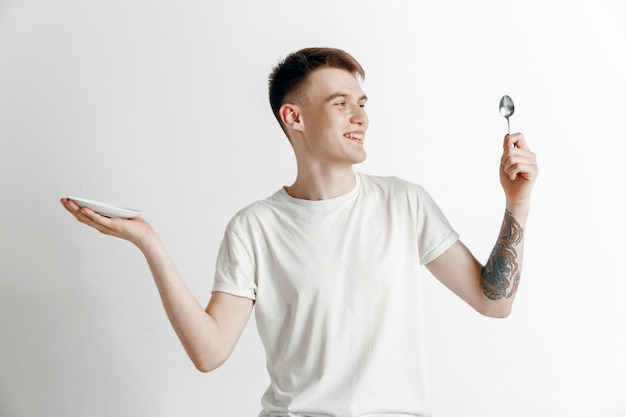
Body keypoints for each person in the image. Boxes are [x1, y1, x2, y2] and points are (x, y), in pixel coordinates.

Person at [61, 47, 538, 417]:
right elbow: (209, 352)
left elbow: (493, 302)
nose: (361, 117)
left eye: (362, 103)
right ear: (294, 118)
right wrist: (150, 242)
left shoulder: (404, 202)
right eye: (341, 103)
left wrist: (516, 203)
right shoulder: (254, 227)